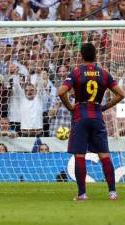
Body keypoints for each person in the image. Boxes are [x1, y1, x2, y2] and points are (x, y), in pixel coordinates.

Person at [58, 43, 125, 201]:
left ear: (81, 55)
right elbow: (121, 94)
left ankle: (82, 194)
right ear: (96, 55)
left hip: (80, 115)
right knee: (104, 155)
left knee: (80, 155)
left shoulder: (76, 73)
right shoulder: (104, 74)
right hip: (96, 115)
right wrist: (104, 107)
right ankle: (112, 192)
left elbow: (61, 92)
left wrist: (70, 107)